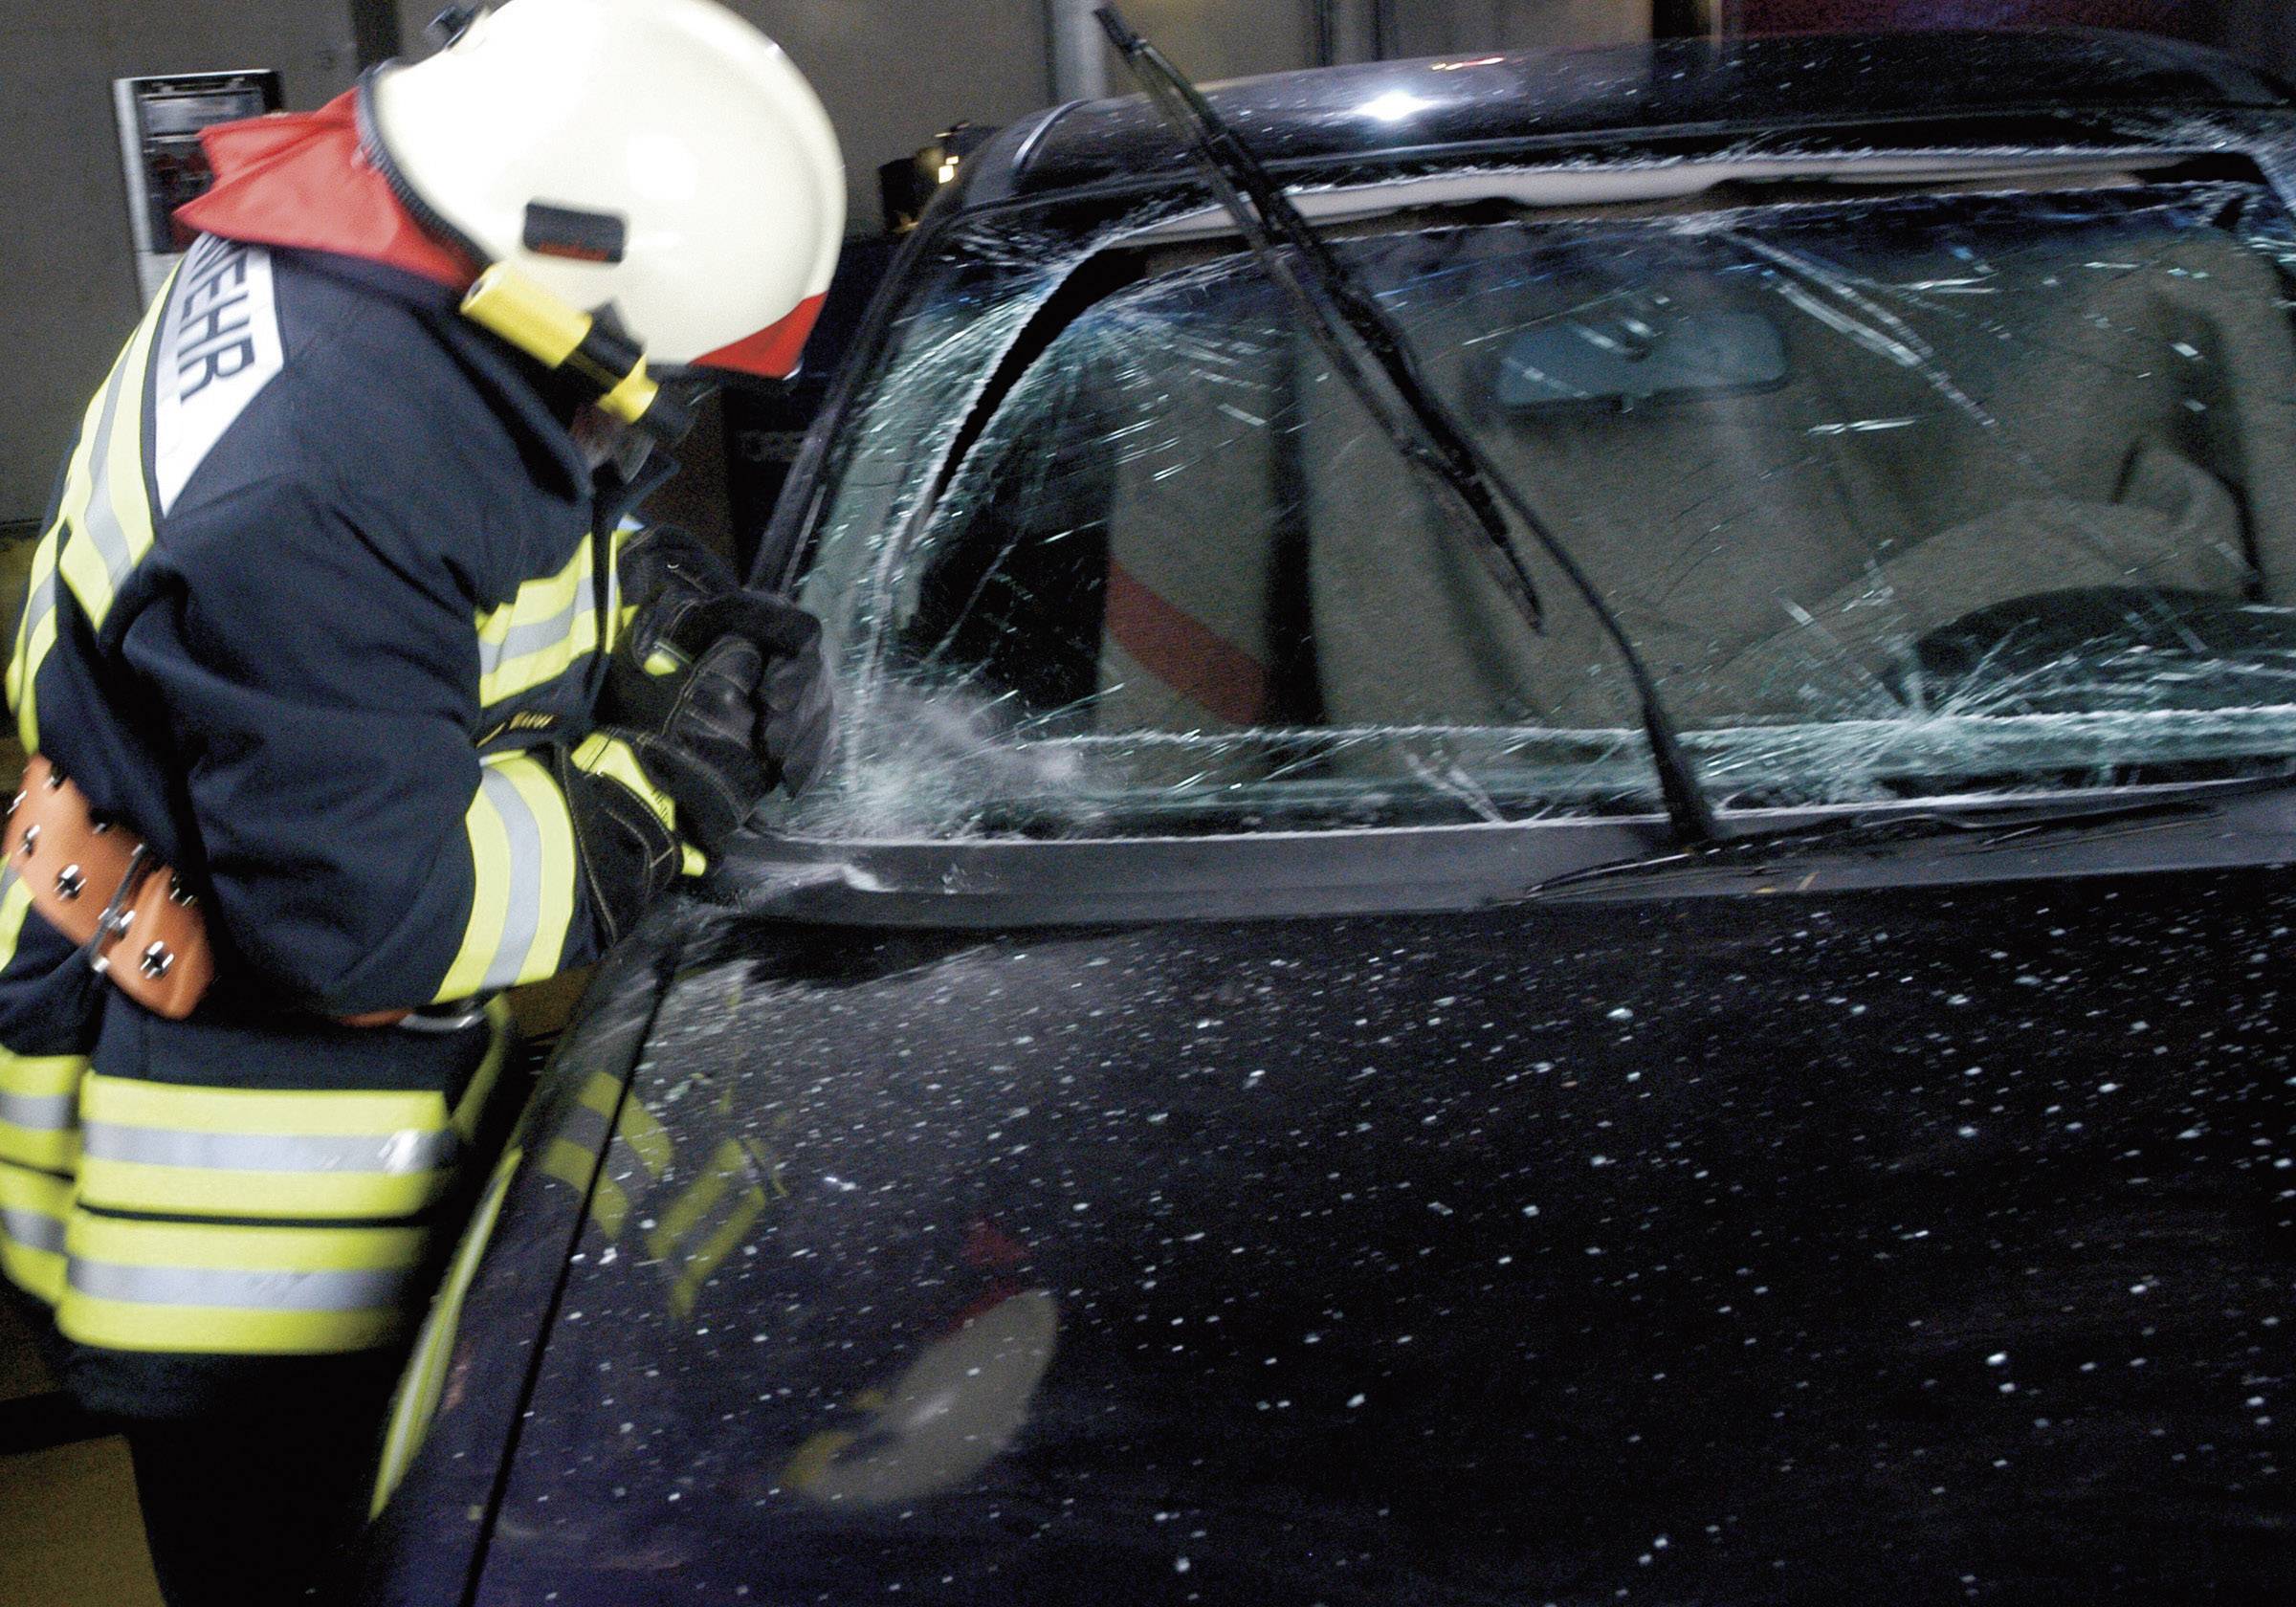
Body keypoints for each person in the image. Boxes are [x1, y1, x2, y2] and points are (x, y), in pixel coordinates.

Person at [0, 1, 844, 1600]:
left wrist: (651, 623)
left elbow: (442, 596)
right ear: (555, 290)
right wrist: (662, 794)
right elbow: (380, 919)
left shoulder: (377, 261)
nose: (652, 400)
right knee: (310, 1558)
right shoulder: (332, 466)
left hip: (275, 1105)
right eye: (650, 363)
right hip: (228, 1212)